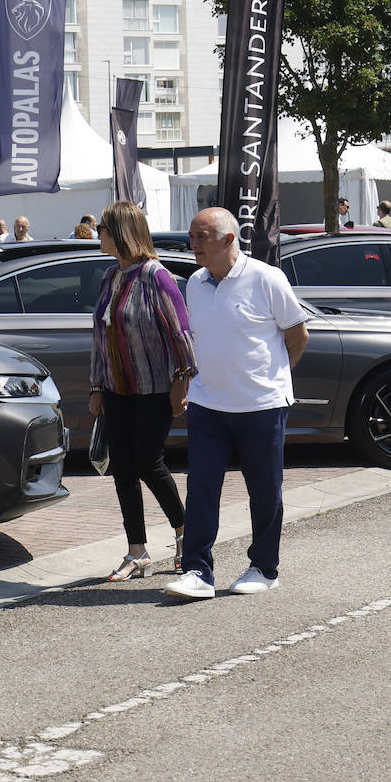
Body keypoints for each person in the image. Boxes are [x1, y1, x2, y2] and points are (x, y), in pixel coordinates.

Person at [163, 207, 309, 600]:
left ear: (229, 240)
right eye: (191, 236)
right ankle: (197, 571)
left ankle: (264, 567)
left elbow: (298, 335)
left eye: (201, 237)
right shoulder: (194, 282)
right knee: (202, 488)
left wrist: (272, 376)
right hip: (209, 405)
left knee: (264, 491)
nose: (192, 245)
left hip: (261, 406)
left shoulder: (266, 278)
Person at [89, 201, 196, 581]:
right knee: (122, 469)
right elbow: (100, 338)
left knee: (148, 462)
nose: (97, 234)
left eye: (103, 228)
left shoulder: (156, 276)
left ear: (121, 233)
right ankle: (138, 551)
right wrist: (97, 386)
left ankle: (186, 535)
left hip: (154, 388)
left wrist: (182, 380)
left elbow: (181, 333)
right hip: (117, 390)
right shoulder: (110, 277)